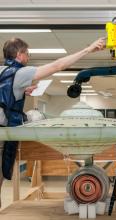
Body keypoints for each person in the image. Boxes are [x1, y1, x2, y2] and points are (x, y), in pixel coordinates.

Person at [0, 37, 105, 207]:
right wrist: (88, 49)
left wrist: (22, 90)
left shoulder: (3, 71)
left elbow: (4, 93)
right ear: (19, 54)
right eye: (27, 54)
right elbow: (58, 66)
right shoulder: (20, 72)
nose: (28, 58)